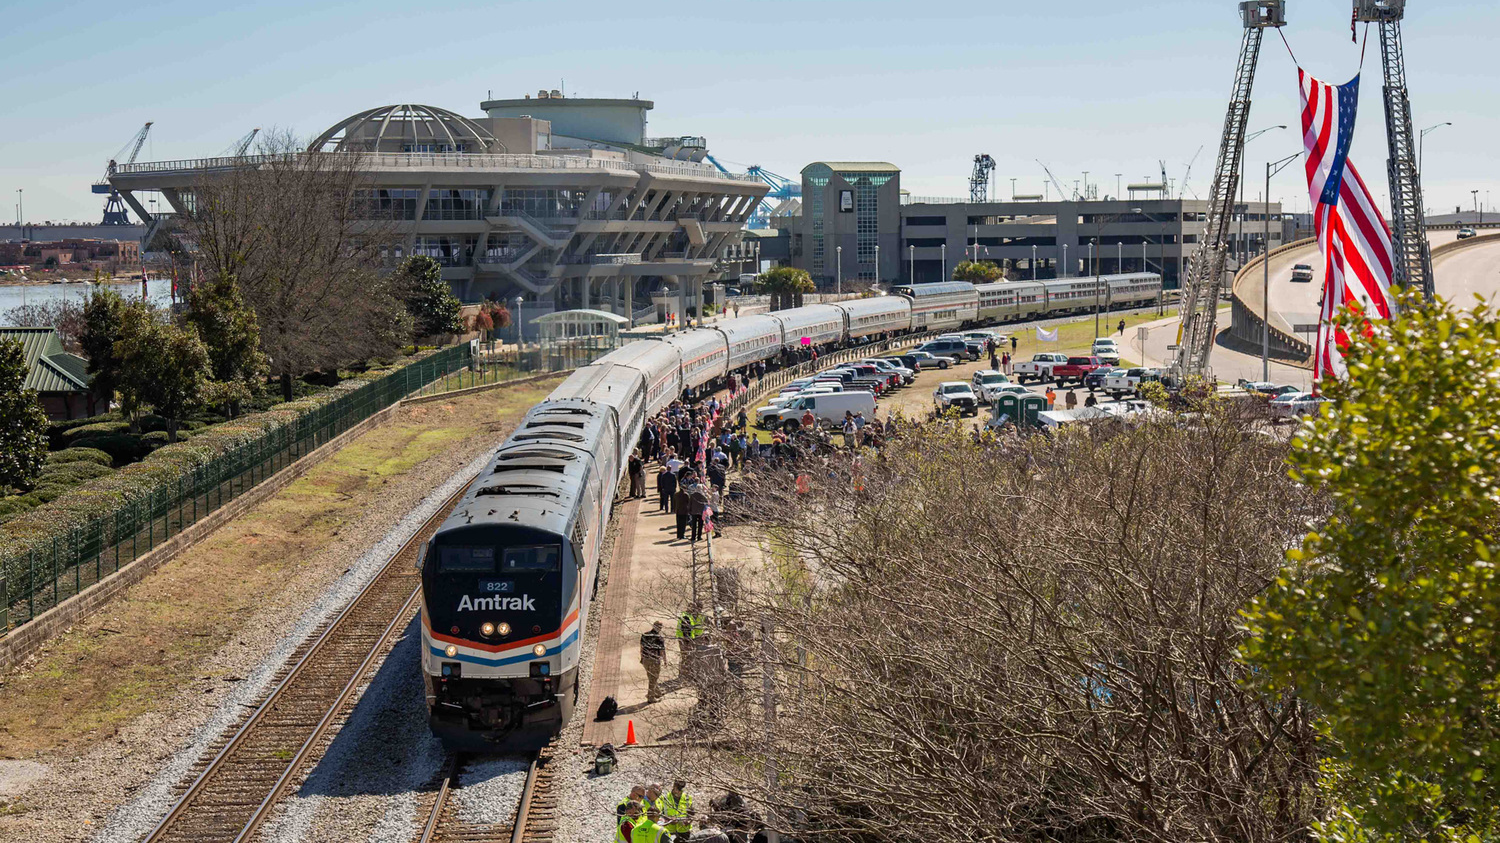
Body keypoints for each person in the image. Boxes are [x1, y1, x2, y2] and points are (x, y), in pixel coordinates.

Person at [641, 621, 667, 702]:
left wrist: (642, 658)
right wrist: (665, 660)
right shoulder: (659, 638)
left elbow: (641, 648)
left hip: (645, 659)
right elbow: (662, 651)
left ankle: (657, 692)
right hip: (654, 660)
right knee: (653, 678)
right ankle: (650, 697)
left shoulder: (645, 635)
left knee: (651, 677)